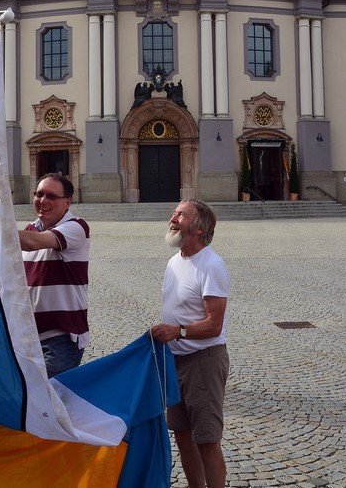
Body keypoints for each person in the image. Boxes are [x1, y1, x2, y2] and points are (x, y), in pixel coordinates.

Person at [151, 199, 230, 488]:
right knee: (182, 435)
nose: (173, 218)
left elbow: (214, 324)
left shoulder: (211, 265)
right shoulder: (174, 262)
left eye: (181, 215)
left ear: (198, 228)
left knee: (207, 439)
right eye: (173, 213)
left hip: (203, 361)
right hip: (176, 362)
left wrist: (178, 331)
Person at [18, 174, 90, 377]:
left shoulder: (77, 227)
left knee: (43, 397)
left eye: (51, 196)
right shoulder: (30, 229)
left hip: (60, 339)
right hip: (27, 337)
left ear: (67, 202)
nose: (43, 201)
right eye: (39, 194)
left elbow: (34, 242)